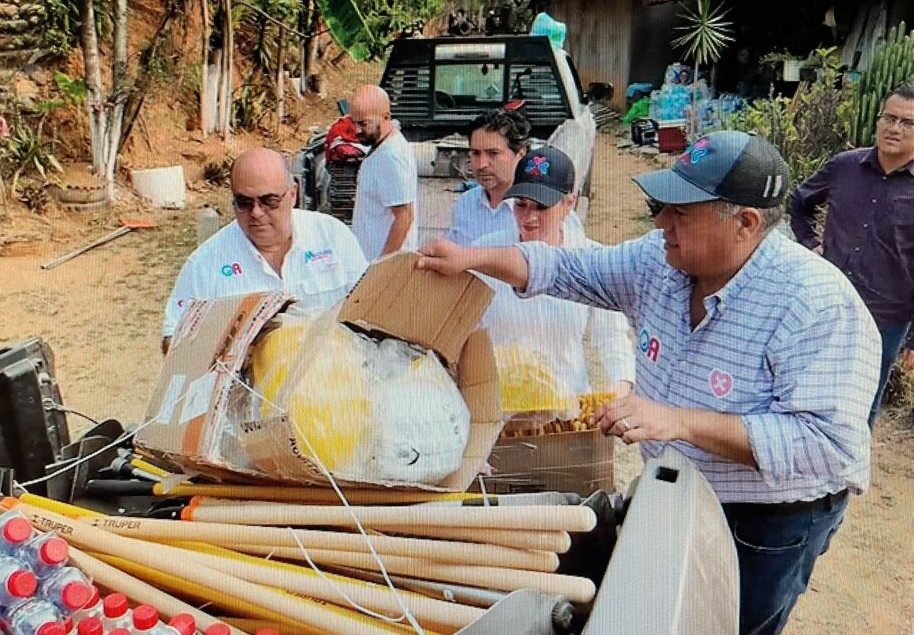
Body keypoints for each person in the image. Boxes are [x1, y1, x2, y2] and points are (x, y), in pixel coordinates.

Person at [417, 130, 880, 635]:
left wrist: (676, 421)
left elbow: (829, 446)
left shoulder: (816, 305)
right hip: (675, 494)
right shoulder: (660, 261)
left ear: (745, 223)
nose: (661, 222)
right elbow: (567, 267)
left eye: (680, 213)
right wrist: (472, 259)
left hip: (766, 520)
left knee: (735, 625)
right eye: (663, 207)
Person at [790, 82, 914, 426]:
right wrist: (809, 245)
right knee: (806, 389)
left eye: (908, 123)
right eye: (889, 118)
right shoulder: (844, 167)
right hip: (827, 303)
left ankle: (849, 478)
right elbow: (799, 202)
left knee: (863, 404)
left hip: (886, 319)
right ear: (878, 120)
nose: (895, 129)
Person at [162, 148, 367, 354]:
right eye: (244, 203)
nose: (256, 213)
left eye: (269, 201)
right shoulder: (204, 265)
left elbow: (368, 310)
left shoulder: (333, 237)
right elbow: (172, 343)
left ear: (293, 194)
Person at [475, 145, 634, 410]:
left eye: (541, 207)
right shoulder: (486, 255)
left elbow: (612, 336)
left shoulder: (591, 260)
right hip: (502, 413)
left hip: (566, 410)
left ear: (569, 203)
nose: (529, 217)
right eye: (521, 205)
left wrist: (621, 383)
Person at [349, 85, 418, 260]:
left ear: (386, 117)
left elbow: (404, 216)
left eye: (363, 123)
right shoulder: (381, 147)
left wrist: (381, 266)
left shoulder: (391, 156)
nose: (356, 130)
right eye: (354, 123)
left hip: (385, 269)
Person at [444, 107, 530, 246]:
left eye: (493, 153)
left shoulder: (540, 211)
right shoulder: (465, 204)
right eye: (476, 153)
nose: (482, 164)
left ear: (520, 154)